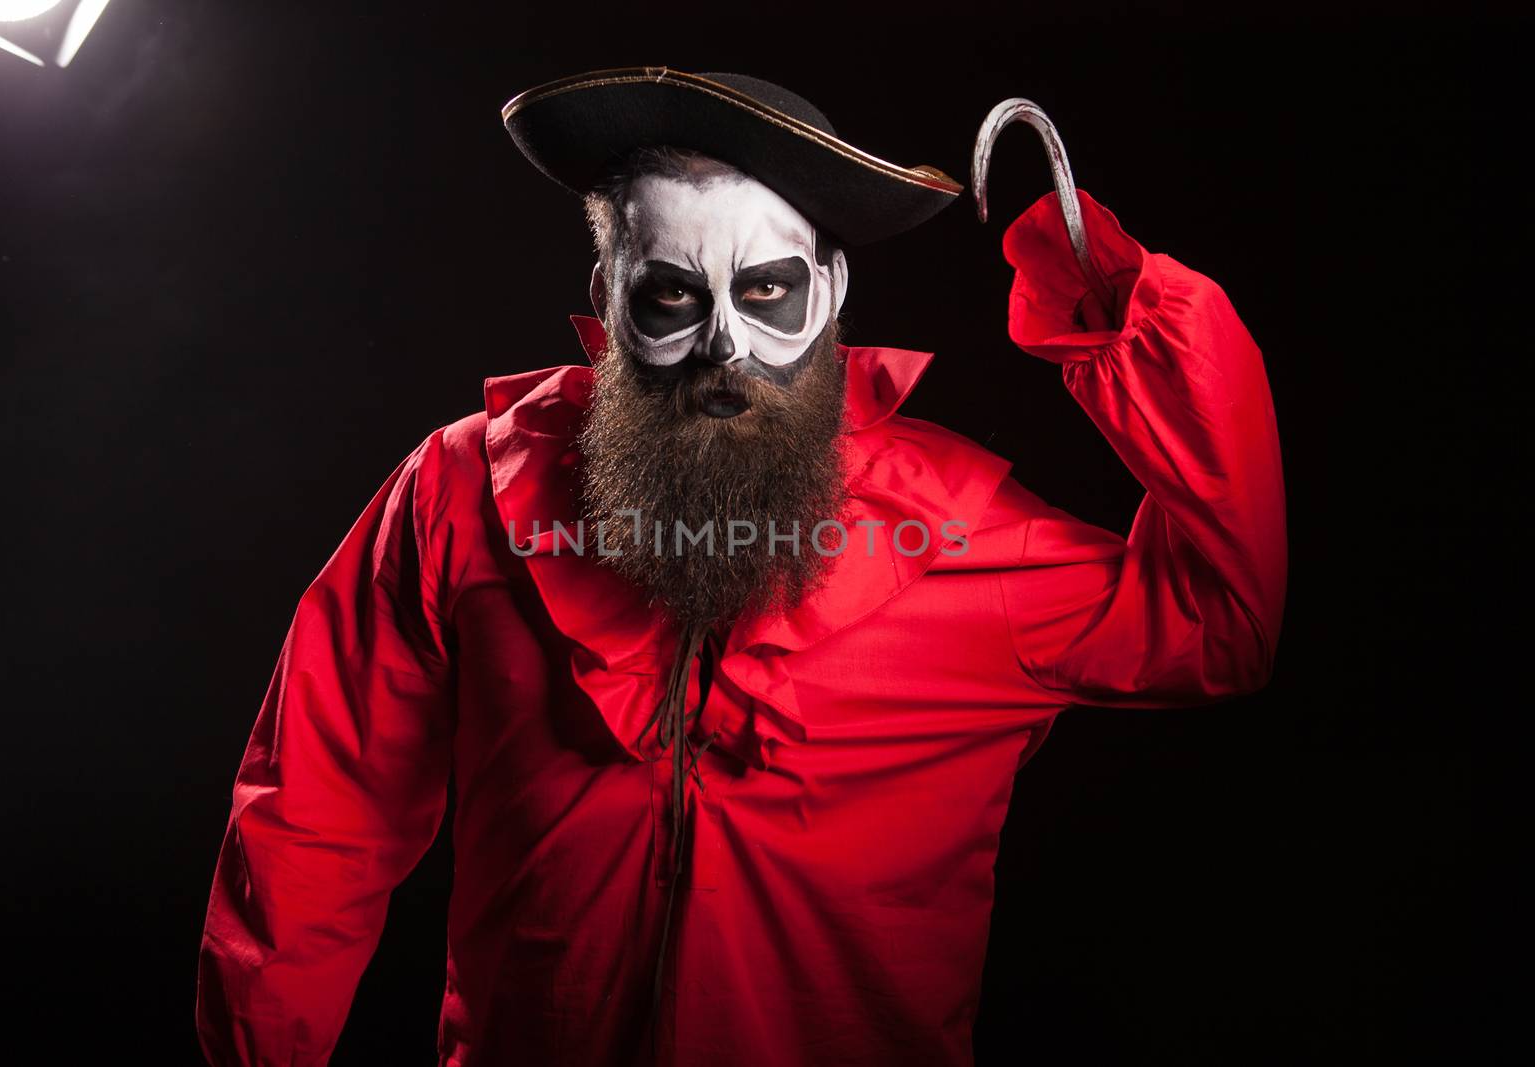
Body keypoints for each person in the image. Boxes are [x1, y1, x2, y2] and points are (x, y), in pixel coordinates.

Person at [195, 67, 1287, 1066]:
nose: (725, 347)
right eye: (670, 298)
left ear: (831, 286)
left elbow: (1218, 619)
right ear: (609, 291)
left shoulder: (963, 532)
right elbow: (314, 818)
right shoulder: (459, 496)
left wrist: (1117, 307)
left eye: (767, 293)